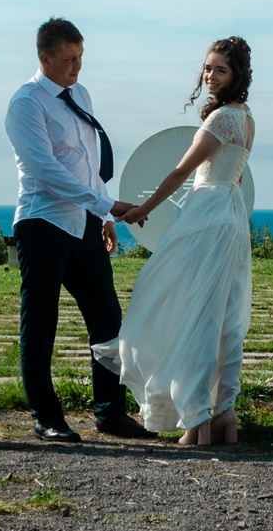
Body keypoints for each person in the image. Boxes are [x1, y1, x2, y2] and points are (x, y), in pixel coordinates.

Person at [4, 18, 154, 443]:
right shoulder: (26, 104)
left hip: (85, 223)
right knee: (41, 322)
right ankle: (47, 417)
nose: (77, 67)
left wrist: (104, 216)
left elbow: (88, 164)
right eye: (69, 59)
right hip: (43, 223)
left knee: (108, 320)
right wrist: (108, 205)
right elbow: (47, 172)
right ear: (44, 58)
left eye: (81, 57)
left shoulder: (80, 96)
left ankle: (110, 413)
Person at [102, 36, 255, 446]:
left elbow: (179, 173)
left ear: (236, 75)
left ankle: (196, 419)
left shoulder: (221, 118)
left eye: (219, 69)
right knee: (222, 315)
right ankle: (223, 413)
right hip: (231, 213)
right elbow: (235, 177)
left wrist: (140, 209)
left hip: (208, 213)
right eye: (207, 68)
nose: (209, 75)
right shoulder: (247, 118)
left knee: (193, 310)